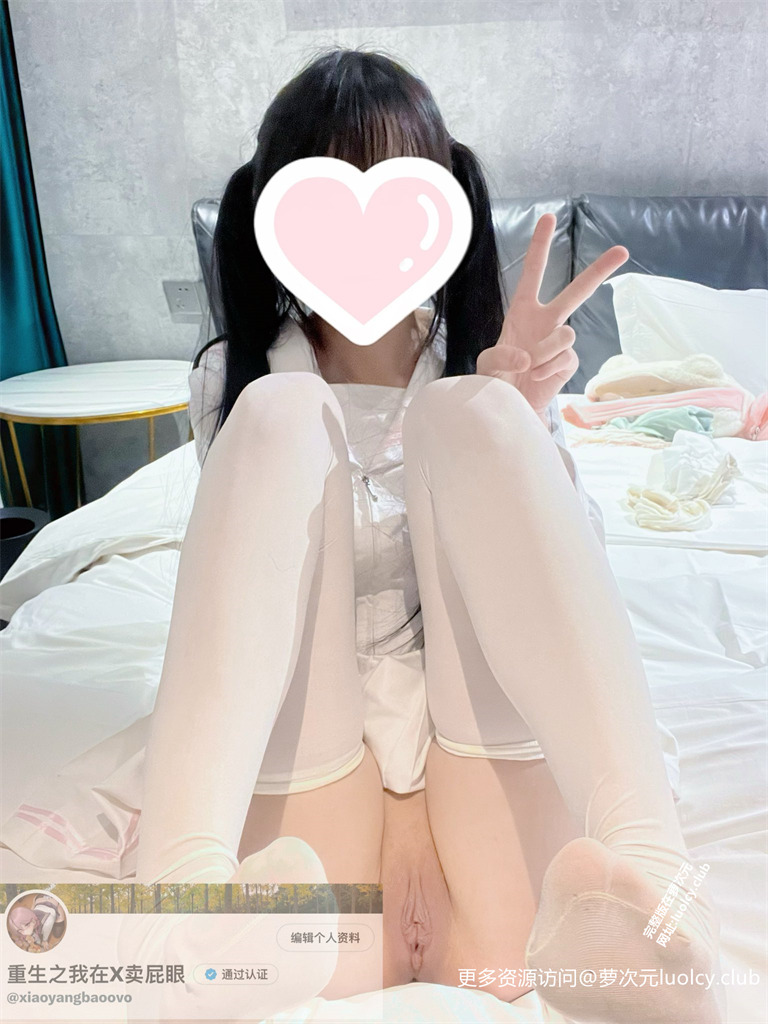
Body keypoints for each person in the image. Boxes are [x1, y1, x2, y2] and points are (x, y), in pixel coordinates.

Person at [136, 47, 721, 1022]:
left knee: (474, 416)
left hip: (507, 864)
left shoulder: (481, 374)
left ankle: (661, 893)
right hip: (312, 864)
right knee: (282, 413)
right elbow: (254, 616)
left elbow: (570, 604)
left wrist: (525, 415)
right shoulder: (235, 383)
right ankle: (178, 913)